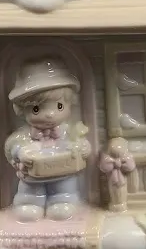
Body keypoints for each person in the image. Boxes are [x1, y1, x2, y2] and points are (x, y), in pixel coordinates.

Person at [5, 59, 90, 222]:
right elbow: (12, 146)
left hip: (63, 174)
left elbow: (80, 141)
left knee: (65, 189)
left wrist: (83, 148)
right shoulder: (24, 135)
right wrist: (21, 153)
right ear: (22, 110)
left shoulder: (70, 131)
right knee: (29, 190)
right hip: (33, 178)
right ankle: (29, 203)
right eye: (36, 109)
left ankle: (63, 201)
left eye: (59, 106)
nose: (50, 114)